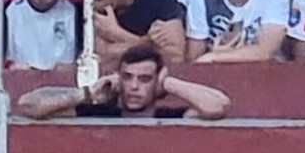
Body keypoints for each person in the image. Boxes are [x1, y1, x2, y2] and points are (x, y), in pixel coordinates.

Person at [16, 43, 232, 119]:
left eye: (145, 79)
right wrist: (87, 94)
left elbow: (217, 106)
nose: (134, 86)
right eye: (128, 77)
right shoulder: (98, 113)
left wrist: (168, 83)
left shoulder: (169, 117)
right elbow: (28, 105)